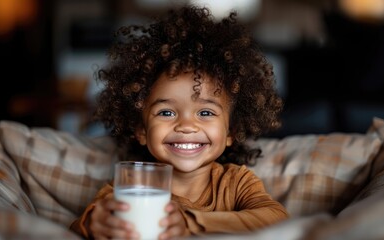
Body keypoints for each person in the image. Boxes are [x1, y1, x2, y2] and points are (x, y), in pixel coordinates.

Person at [70, 5, 289, 239]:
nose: (186, 126)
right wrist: (95, 223)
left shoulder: (236, 183)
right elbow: (79, 227)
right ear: (141, 130)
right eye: (166, 113)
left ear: (230, 132)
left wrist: (190, 222)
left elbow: (276, 218)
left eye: (205, 113)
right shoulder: (132, 185)